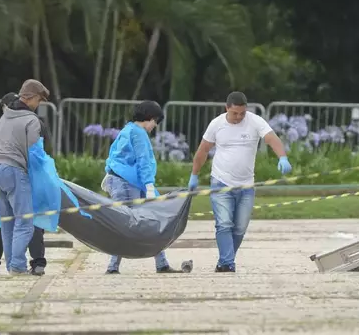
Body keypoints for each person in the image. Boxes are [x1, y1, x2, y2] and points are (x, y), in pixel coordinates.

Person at [188, 91, 292, 272]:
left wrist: (282, 157)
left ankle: (224, 262)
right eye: (235, 113)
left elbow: (271, 139)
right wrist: (194, 175)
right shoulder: (217, 124)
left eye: (242, 113)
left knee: (240, 228)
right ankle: (228, 263)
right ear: (227, 108)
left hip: (246, 185)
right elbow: (203, 150)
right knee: (224, 224)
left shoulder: (255, 121)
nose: (239, 117)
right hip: (221, 182)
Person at [0, 92, 53, 276]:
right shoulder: (33, 121)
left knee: (3, 221)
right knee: (30, 221)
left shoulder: (1, 123)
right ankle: (34, 262)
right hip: (24, 174)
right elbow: (39, 151)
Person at [101, 100, 181, 274]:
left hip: (117, 181)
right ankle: (115, 266)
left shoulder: (126, 129)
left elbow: (113, 154)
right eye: (155, 122)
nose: (155, 126)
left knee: (126, 222)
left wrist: (109, 174)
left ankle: (160, 263)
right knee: (142, 222)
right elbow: (144, 161)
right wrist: (149, 184)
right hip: (129, 184)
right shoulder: (139, 134)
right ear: (150, 118)